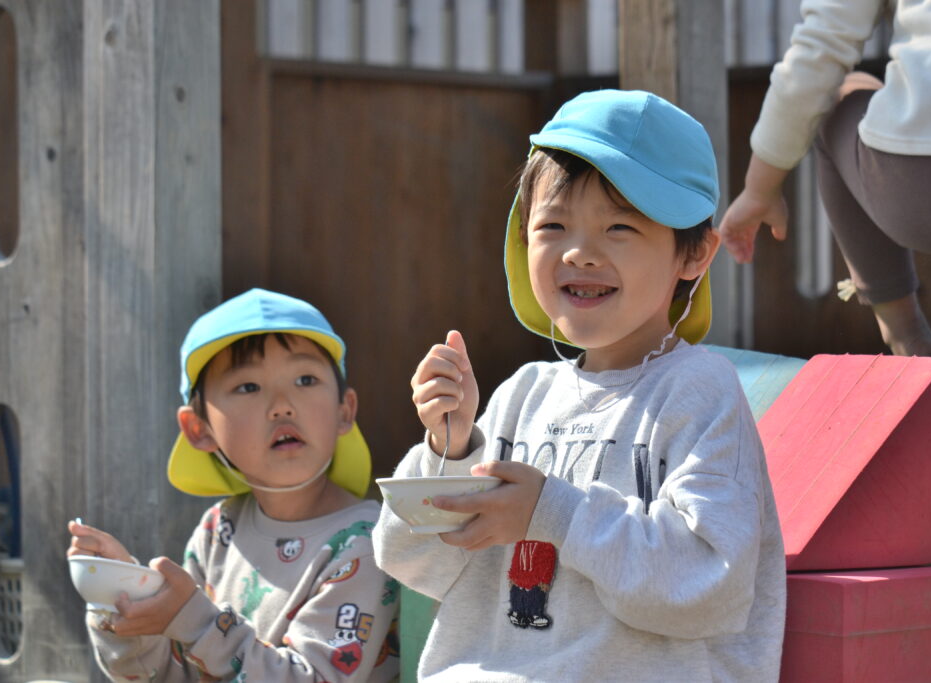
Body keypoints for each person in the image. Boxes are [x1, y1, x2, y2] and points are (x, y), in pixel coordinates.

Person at [373, 90, 786, 681]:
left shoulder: (698, 390)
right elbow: (413, 563)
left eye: (618, 226)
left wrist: (556, 515)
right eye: (553, 225)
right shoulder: (522, 395)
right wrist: (451, 450)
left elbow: (708, 583)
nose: (579, 253)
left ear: (694, 253)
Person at [718, 0, 931, 574]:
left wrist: (760, 186)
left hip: (922, 181)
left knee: (839, 94)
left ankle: (905, 332)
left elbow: (823, 46)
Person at [67, 288, 399, 682]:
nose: (282, 405)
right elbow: (170, 675)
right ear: (199, 429)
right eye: (248, 387)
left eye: (305, 379)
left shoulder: (366, 543)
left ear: (345, 411)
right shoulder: (219, 529)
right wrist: (123, 595)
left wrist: (195, 620)